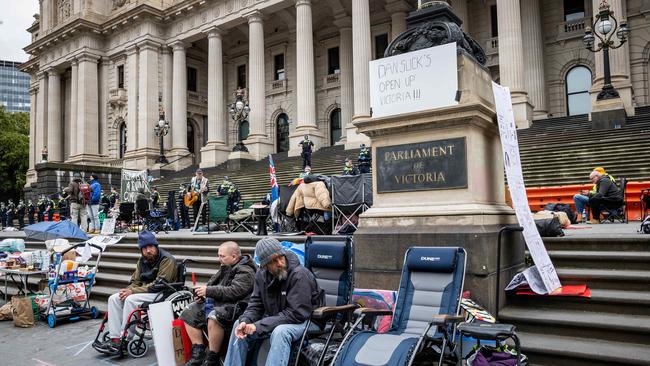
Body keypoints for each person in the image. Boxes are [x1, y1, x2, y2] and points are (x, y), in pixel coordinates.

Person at [223, 237, 323, 366]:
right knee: (239, 325)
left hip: (306, 320)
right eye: (274, 261)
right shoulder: (261, 275)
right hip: (278, 317)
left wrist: (258, 326)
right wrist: (245, 321)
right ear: (265, 265)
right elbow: (255, 305)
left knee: (281, 332)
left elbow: (296, 313)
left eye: (281, 257)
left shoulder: (299, 275)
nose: (280, 263)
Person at [96, 231, 178, 355]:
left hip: (162, 291)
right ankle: (115, 338)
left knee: (130, 300)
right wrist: (127, 290)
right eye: (144, 248)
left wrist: (132, 291)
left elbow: (159, 284)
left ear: (156, 246)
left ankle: (126, 338)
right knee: (114, 298)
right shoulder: (142, 261)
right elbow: (136, 281)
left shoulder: (166, 259)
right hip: (145, 291)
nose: (148, 250)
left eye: (150, 247)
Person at [180, 242, 257, 366]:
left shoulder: (246, 271)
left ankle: (212, 358)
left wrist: (208, 291)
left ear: (234, 256)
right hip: (223, 303)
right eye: (218, 255)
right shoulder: (226, 265)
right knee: (189, 311)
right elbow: (212, 285)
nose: (219, 259)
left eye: (222, 256)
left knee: (215, 316)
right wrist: (203, 295)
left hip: (238, 307)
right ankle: (198, 351)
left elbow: (234, 292)